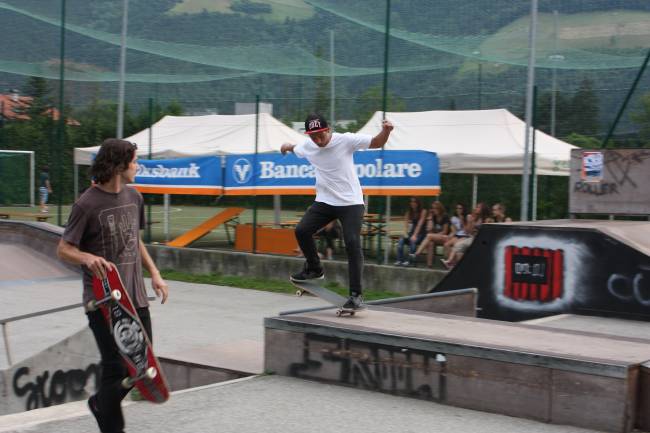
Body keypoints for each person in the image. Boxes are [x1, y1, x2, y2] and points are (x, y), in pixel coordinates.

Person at [57, 138, 169, 433]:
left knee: (143, 367)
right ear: (119, 165)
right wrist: (87, 257)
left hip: (136, 297)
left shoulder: (135, 197)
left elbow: (135, 239)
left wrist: (155, 272)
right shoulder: (86, 204)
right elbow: (64, 249)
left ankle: (100, 404)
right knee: (116, 367)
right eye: (134, 161)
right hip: (103, 301)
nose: (138, 166)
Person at [281, 113, 394, 310]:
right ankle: (315, 269)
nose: (318, 141)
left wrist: (386, 131)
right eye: (313, 137)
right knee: (302, 231)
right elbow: (296, 147)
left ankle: (356, 295)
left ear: (328, 130)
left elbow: (376, 142)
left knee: (352, 242)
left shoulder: (346, 140)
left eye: (321, 135)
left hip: (351, 203)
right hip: (325, 201)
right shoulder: (308, 145)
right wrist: (287, 146)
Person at [441, 202, 492, 269]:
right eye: (476, 207)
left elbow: (486, 232)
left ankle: (450, 263)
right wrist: (471, 221)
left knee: (459, 246)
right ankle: (451, 263)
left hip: (481, 239)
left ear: (483, 209)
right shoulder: (475, 218)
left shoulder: (487, 219)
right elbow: (468, 232)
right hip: (473, 238)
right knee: (458, 246)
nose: (476, 208)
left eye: (478, 207)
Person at [411, 201, 450, 267]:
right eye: (433, 208)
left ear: (440, 209)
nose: (434, 210)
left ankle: (417, 254)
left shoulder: (445, 216)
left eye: (436, 208)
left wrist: (434, 235)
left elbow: (445, 231)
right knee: (430, 243)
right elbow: (429, 229)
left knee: (429, 236)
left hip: (446, 237)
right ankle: (429, 265)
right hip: (437, 237)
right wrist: (430, 218)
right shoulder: (434, 217)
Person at [394, 197, 426, 266]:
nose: (412, 203)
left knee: (412, 241)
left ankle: (410, 261)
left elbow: (420, 224)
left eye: (414, 202)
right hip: (412, 233)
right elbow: (405, 224)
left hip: (421, 233)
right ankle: (399, 260)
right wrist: (405, 233)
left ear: (418, 203)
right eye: (411, 202)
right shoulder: (409, 212)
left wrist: (415, 235)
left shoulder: (423, 211)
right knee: (401, 240)